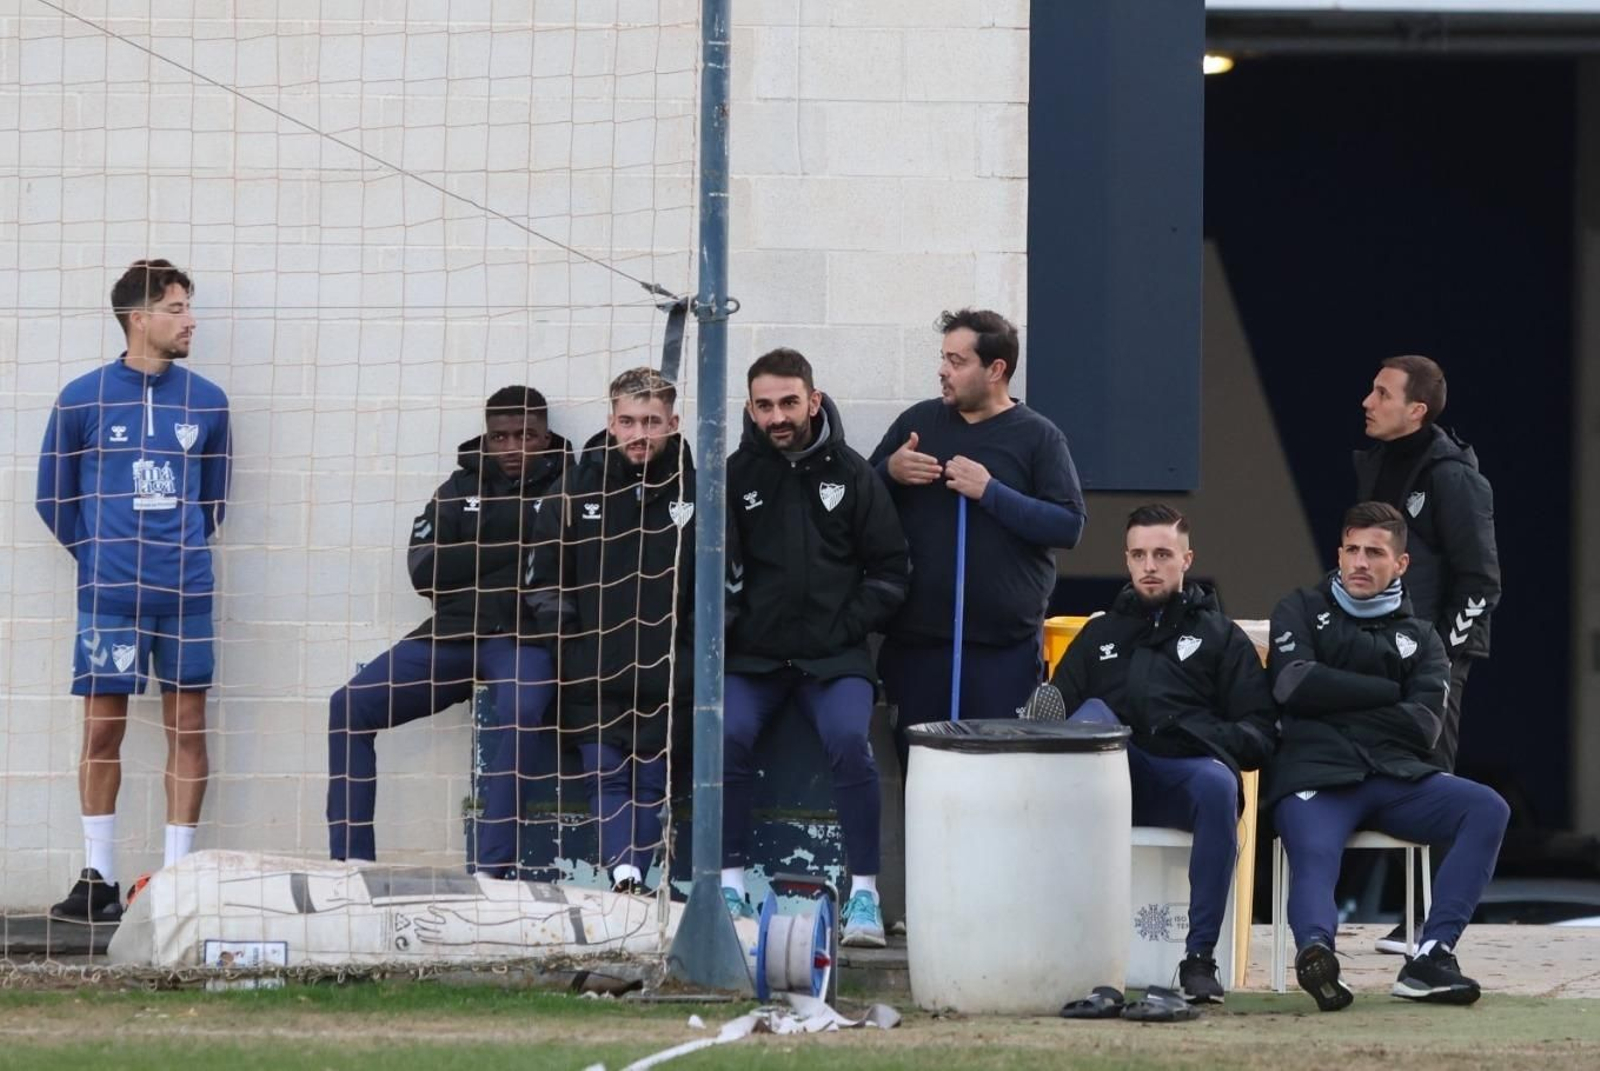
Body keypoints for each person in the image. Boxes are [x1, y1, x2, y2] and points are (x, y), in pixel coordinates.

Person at [36, 259, 232, 922]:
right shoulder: (82, 398)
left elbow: (214, 502)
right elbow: (53, 498)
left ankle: (176, 881)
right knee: (102, 732)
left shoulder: (209, 401)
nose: (190, 320)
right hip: (110, 595)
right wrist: (103, 557)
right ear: (138, 318)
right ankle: (98, 878)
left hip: (186, 594)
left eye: (188, 307)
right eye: (177, 308)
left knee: (189, 729)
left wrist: (175, 552)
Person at [1266, 502, 1510, 1011]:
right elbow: (1292, 685)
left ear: (1400, 564)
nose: (1360, 562)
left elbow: (1424, 726)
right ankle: (1317, 954)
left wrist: (1330, 700)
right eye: (1352, 549)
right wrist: (1386, 693)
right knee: (1314, 856)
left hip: (1395, 776)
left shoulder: (1423, 637)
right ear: (1339, 553)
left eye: (1374, 553)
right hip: (1317, 774)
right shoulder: (1300, 607)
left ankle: (1431, 957)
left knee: (1487, 807)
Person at [326, 387, 569, 875]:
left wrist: (470, 553)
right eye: (500, 437)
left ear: (546, 437)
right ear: (487, 437)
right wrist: (519, 544)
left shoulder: (573, 486)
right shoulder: (458, 489)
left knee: (522, 714)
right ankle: (351, 864)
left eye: (525, 435)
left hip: (525, 637)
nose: (512, 447)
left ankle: (492, 872)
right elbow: (424, 571)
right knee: (349, 706)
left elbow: (566, 564)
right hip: (453, 631)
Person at [1045, 505, 1275, 1004]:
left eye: (1163, 554)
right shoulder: (1099, 635)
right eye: (1139, 555)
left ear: (1186, 559)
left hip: (1181, 782)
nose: (1150, 566)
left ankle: (1199, 960)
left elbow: (1259, 736)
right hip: (1107, 780)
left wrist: (1198, 735)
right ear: (1126, 560)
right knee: (1091, 716)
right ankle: (1066, 948)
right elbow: (1053, 718)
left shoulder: (1221, 636)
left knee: (1217, 782)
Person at [720, 348, 910, 947]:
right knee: (725, 736)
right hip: (754, 659)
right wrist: (735, 628)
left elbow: (891, 571)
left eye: (789, 402)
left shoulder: (852, 474)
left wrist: (844, 626)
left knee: (851, 742)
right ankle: (728, 887)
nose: (777, 416)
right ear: (750, 408)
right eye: (765, 405)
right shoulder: (734, 476)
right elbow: (710, 571)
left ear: (814, 400)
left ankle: (863, 896)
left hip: (834, 658)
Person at [869, 309, 1086, 768]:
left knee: (996, 777)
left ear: (995, 369)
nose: (942, 371)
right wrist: (889, 471)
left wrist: (991, 492)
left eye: (957, 361)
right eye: (943, 358)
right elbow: (857, 502)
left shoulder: (1039, 437)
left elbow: (1068, 525)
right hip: (918, 648)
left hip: (1000, 653)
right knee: (923, 778)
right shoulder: (918, 423)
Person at [524, 367, 694, 893]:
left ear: (673, 423)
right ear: (611, 421)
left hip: (667, 674)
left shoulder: (700, 488)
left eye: (652, 422)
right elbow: (544, 579)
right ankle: (624, 879)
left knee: (651, 780)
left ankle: (635, 882)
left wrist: (690, 656)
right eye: (628, 421)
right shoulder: (577, 486)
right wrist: (572, 649)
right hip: (595, 672)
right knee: (604, 773)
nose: (640, 434)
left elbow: (725, 586)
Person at [1354, 354, 1500, 954]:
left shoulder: (1453, 477)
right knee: (1377, 767)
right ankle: (1410, 915)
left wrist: (1440, 654)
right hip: (1374, 650)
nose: (1367, 402)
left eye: (1381, 393)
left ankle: (1430, 928)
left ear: (1416, 410)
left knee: (1431, 778)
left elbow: (1481, 580)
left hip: (1430, 659)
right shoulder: (1378, 464)